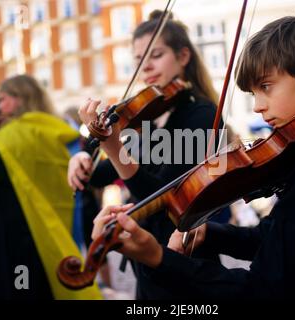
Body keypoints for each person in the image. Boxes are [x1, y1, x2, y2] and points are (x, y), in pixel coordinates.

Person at [91, 12, 295, 299]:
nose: (257, 106)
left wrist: (158, 258)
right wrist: (212, 233)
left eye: (265, 87)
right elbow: (273, 238)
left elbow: (263, 289)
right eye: (253, 93)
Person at [68, 10, 222, 299]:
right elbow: (101, 175)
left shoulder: (202, 115)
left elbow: (163, 198)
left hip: (185, 261)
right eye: (139, 59)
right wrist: (81, 156)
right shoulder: (147, 118)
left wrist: (114, 148)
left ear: (183, 56)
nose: (145, 66)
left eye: (156, 55)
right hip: (148, 261)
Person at [0, 75, 101, 300]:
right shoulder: (52, 129)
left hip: (15, 243)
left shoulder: (14, 135)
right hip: (48, 236)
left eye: (2, 99)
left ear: (21, 98)